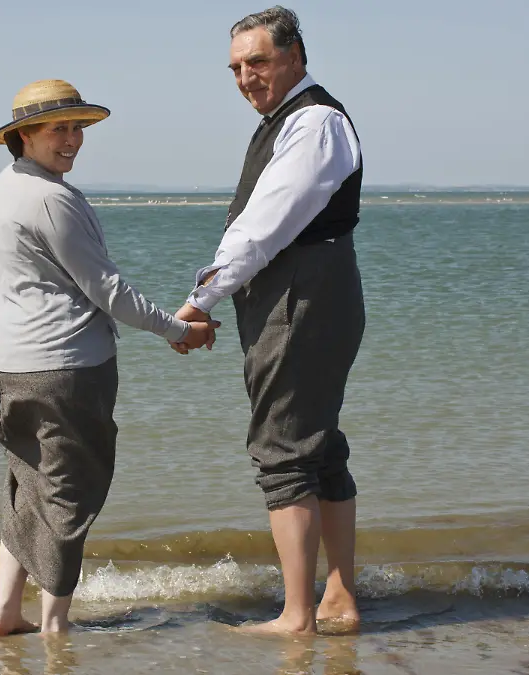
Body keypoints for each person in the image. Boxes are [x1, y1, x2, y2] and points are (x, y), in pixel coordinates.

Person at [0, 79, 219, 635]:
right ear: (24, 136)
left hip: (9, 363)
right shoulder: (53, 199)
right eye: (59, 128)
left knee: (27, 486)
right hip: (67, 370)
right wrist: (179, 330)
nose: (74, 139)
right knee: (67, 495)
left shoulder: (6, 186)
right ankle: (56, 626)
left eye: (79, 127)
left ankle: (7, 613)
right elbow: (109, 291)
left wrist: (23, 308)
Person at [173, 6, 367, 635]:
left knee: (283, 450)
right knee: (319, 448)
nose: (245, 77)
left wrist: (202, 295)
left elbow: (265, 226)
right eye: (235, 67)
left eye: (257, 61)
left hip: (301, 292)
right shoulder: (295, 120)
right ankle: (335, 599)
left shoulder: (313, 122)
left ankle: (298, 614)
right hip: (312, 287)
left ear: (295, 55)